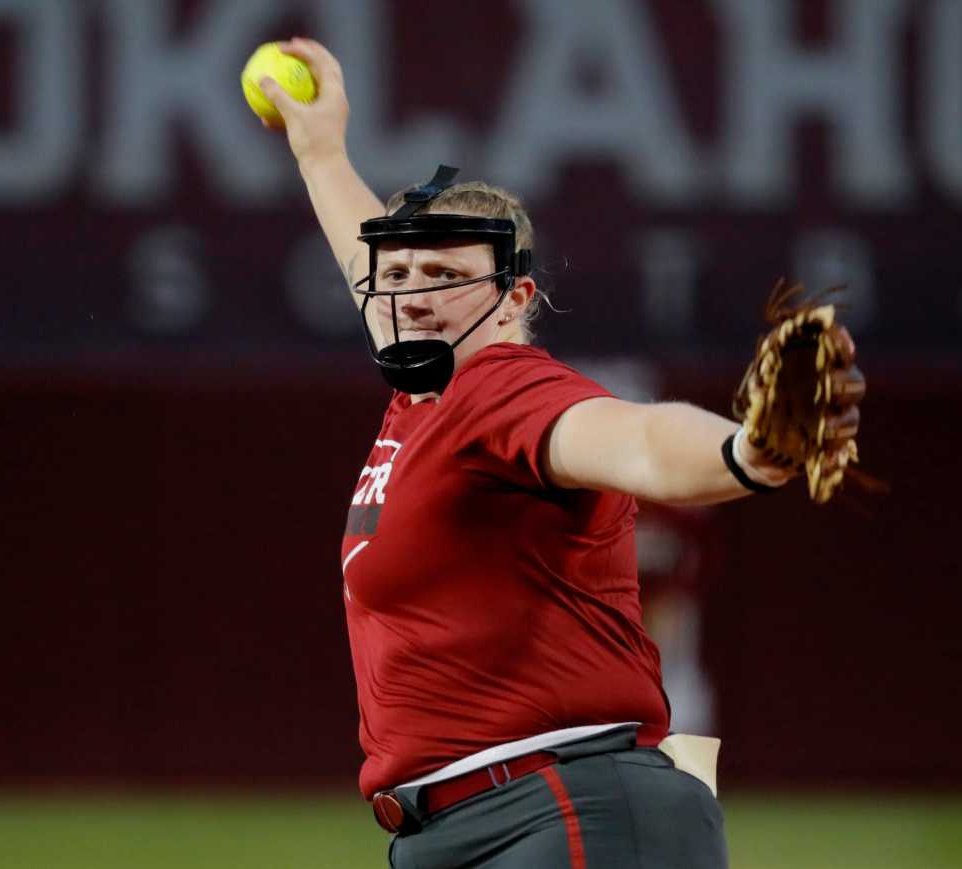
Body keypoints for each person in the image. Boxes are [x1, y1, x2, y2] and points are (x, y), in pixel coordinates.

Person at [258, 38, 864, 869]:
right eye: (396, 274)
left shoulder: (499, 389)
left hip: (563, 812)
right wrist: (320, 149)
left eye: (442, 273)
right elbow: (377, 275)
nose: (411, 294)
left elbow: (633, 439)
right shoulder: (425, 393)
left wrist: (747, 452)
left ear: (514, 300)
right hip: (471, 825)